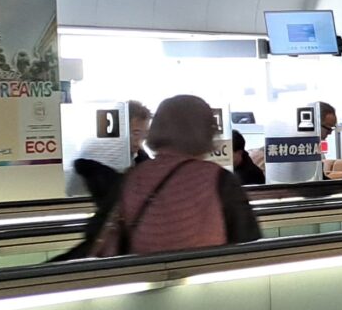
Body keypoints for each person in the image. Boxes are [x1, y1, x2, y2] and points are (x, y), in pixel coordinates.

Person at [88, 95, 262, 257]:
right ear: (205, 132)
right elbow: (249, 247)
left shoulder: (132, 178)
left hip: (141, 274)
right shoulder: (219, 180)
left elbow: (99, 231)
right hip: (205, 274)